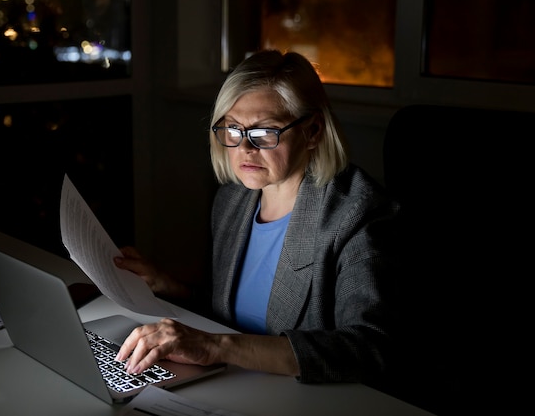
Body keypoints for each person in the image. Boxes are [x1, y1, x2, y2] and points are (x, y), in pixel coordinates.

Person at [113, 49, 400, 385]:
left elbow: (371, 348)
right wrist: (168, 285)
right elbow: (238, 313)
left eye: (265, 132)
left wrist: (217, 346)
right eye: (233, 129)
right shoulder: (233, 200)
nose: (245, 149)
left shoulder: (357, 214)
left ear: (313, 132)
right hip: (234, 384)